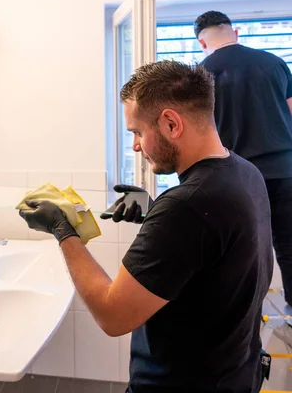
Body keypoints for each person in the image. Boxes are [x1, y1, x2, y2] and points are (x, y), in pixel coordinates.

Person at [19, 61, 273, 392]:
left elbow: (113, 316)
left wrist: (62, 230)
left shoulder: (186, 207)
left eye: (137, 132)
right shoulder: (244, 173)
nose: (136, 146)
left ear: (171, 123)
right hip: (235, 374)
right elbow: (218, 254)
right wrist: (154, 212)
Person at [193, 10, 292, 305]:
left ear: (201, 42)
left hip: (237, 176)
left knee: (243, 249)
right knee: (288, 244)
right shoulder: (274, 63)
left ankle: (245, 315)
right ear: (234, 33)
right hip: (285, 171)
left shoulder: (200, 74)